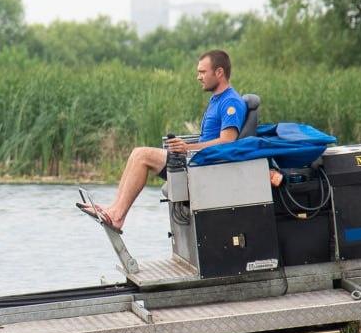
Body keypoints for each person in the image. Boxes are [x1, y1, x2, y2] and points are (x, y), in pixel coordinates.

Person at [79, 49, 279, 232]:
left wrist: (187, 148)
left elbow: (227, 142)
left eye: (202, 72)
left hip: (204, 166)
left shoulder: (230, 102)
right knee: (136, 153)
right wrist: (182, 146)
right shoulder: (217, 99)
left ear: (219, 72)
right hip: (197, 159)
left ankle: (117, 216)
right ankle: (114, 209)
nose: (198, 77)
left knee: (142, 155)